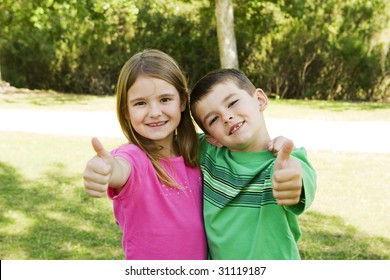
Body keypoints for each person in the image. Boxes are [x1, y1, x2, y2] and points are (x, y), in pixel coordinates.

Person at [83, 49, 207, 260]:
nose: (155, 112)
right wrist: (104, 169)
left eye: (165, 99)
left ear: (183, 102)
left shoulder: (198, 151)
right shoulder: (134, 158)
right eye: (140, 103)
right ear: (126, 111)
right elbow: (120, 168)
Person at [189, 68, 317, 260]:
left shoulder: (285, 159)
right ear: (212, 138)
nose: (226, 117)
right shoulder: (207, 153)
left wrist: (292, 181)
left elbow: (299, 177)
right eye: (213, 119)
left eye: (232, 102)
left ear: (260, 100)